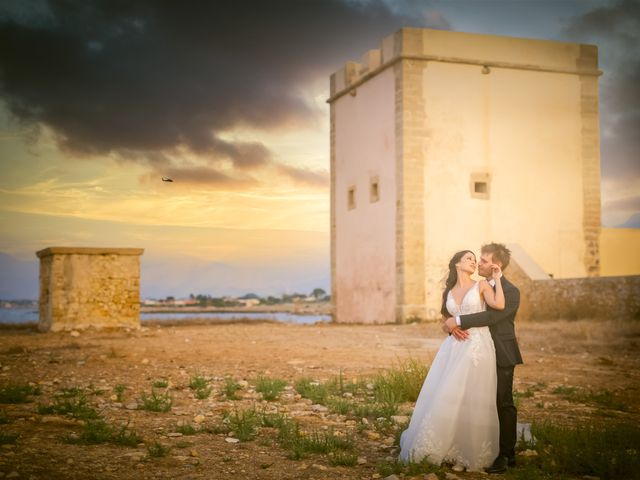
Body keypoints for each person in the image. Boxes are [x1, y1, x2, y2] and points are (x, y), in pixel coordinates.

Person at [399, 249, 505, 471]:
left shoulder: (482, 285)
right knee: (448, 393)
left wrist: (496, 279)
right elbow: (445, 321)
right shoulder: (448, 290)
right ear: (457, 264)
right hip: (454, 347)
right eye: (469, 259)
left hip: (477, 345)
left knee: (472, 395)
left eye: (475, 260)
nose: (474, 262)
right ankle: (444, 446)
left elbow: (499, 306)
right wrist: (452, 329)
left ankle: (468, 451)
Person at [444, 243, 523, 474]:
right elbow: (450, 313)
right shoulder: (474, 285)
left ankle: (507, 456)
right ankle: (469, 447)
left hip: (501, 352)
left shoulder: (511, 291)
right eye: (478, 259)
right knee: (473, 402)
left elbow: (492, 315)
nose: (479, 263)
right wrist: (451, 327)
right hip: (473, 352)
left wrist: (458, 322)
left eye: (485, 261)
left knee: (502, 402)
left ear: (496, 265)